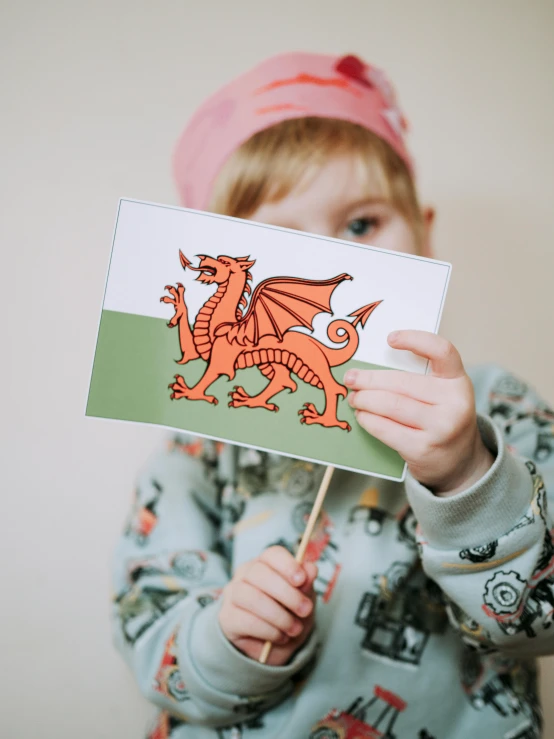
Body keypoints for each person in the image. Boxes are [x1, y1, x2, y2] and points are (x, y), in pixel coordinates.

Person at [112, 52, 554, 738]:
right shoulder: (198, 436)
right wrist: (225, 640)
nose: (340, 262)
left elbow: (539, 620)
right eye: (281, 240)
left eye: (360, 225)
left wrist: (468, 477)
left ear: (424, 229)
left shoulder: (496, 410)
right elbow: (152, 632)